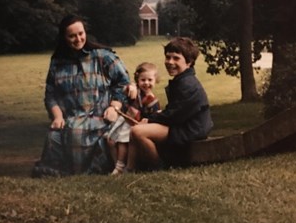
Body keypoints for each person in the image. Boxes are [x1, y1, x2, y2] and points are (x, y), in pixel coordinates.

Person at [31, 14, 131, 177]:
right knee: (54, 136)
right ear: (64, 38)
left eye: (81, 33)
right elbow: (50, 94)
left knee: (78, 134)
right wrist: (57, 116)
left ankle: (90, 169)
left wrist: (115, 106)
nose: (78, 39)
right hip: (70, 119)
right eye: (72, 36)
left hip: (101, 118)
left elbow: (123, 82)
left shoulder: (103, 56)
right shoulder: (57, 62)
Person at [126, 37, 213, 172]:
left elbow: (174, 116)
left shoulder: (188, 84)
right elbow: (176, 110)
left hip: (191, 129)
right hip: (184, 125)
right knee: (136, 130)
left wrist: (150, 119)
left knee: (138, 131)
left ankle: (158, 167)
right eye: (168, 57)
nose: (170, 62)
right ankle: (130, 168)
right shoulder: (182, 80)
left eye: (176, 58)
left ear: (189, 62)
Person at [107, 62, 161, 175]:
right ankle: (116, 164)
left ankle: (120, 166)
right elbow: (125, 90)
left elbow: (155, 117)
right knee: (110, 140)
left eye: (150, 80)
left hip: (134, 124)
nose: (146, 83)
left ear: (155, 80)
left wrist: (147, 121)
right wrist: (131, 86)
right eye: (143, 80)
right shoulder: (136, 91)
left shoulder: (152, 100)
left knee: (122, 141)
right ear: (138, 80)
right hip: (125, 119)